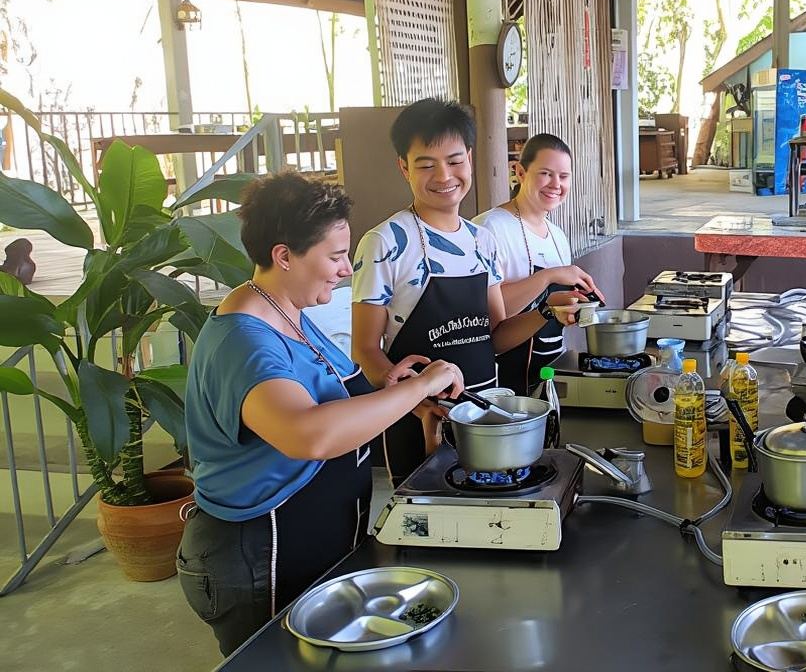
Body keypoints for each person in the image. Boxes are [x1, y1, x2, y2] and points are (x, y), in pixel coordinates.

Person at [177, 173, 463, 655]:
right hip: (259, 558)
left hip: (315, 547)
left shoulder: (289, 311)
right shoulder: (243, 342)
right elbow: (307, 434)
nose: (346, 269)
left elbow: (328, 402)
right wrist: (422, 385)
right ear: (284, 255)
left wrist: (394, 393)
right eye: (334, 257)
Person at [351, 99, 583, 483]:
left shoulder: (482, 241)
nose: (444, 175)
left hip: (484, 414)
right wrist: (415, 398)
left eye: (455, 160)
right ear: (403, 167)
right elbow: (365, 350)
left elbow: (495, 337)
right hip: (421, 419)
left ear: (470, 159)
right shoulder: (385, 242)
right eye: (426, 164)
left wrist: (546, 313)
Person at [474, 133, 604, 395]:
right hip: (501, 382)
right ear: (520, 172)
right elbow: (487, 315)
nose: (556, 184)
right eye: (545, 173)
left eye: (564, 176)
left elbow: (549, 309)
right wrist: (549, 276)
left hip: (547, 374)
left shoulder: (556, 235)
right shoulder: (490, 228)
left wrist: (574, 307)